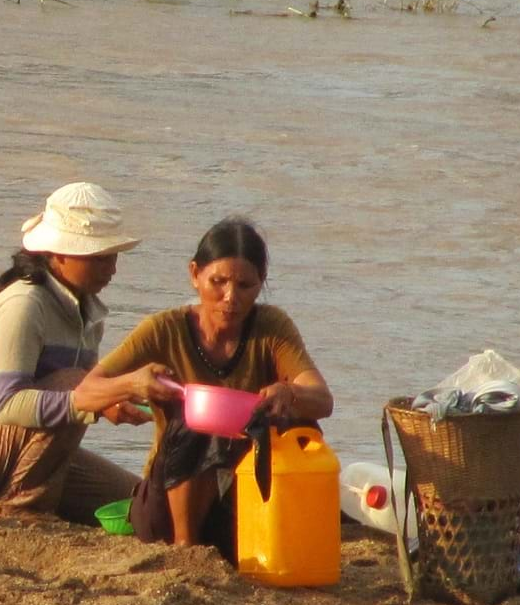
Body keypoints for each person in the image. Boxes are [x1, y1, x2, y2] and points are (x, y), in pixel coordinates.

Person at [0, 182, 172, 524]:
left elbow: (77, 399)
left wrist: (112, 404)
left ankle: (32, 501)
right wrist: (107, 392)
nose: (111, 269)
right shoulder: (25, 304)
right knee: (78, 384)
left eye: (112, 257)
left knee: (141, 506)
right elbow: (11, 406)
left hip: (15, 446)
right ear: (60, 254)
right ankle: (16, 511)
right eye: (99, 258)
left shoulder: (88, 311)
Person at [86, 216, 334, 553]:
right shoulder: (164, 329)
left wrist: (290, 393)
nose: (230, 297)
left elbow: (322, 399)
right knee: (197, 423)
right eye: (218, 282)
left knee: (299, 421)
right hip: (168, 505)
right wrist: (133, 384)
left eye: (245, 286)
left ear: (261, 283)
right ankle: (187, 547)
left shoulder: (271, 327)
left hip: (242, 492)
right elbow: (86, 391)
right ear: (194, 275)